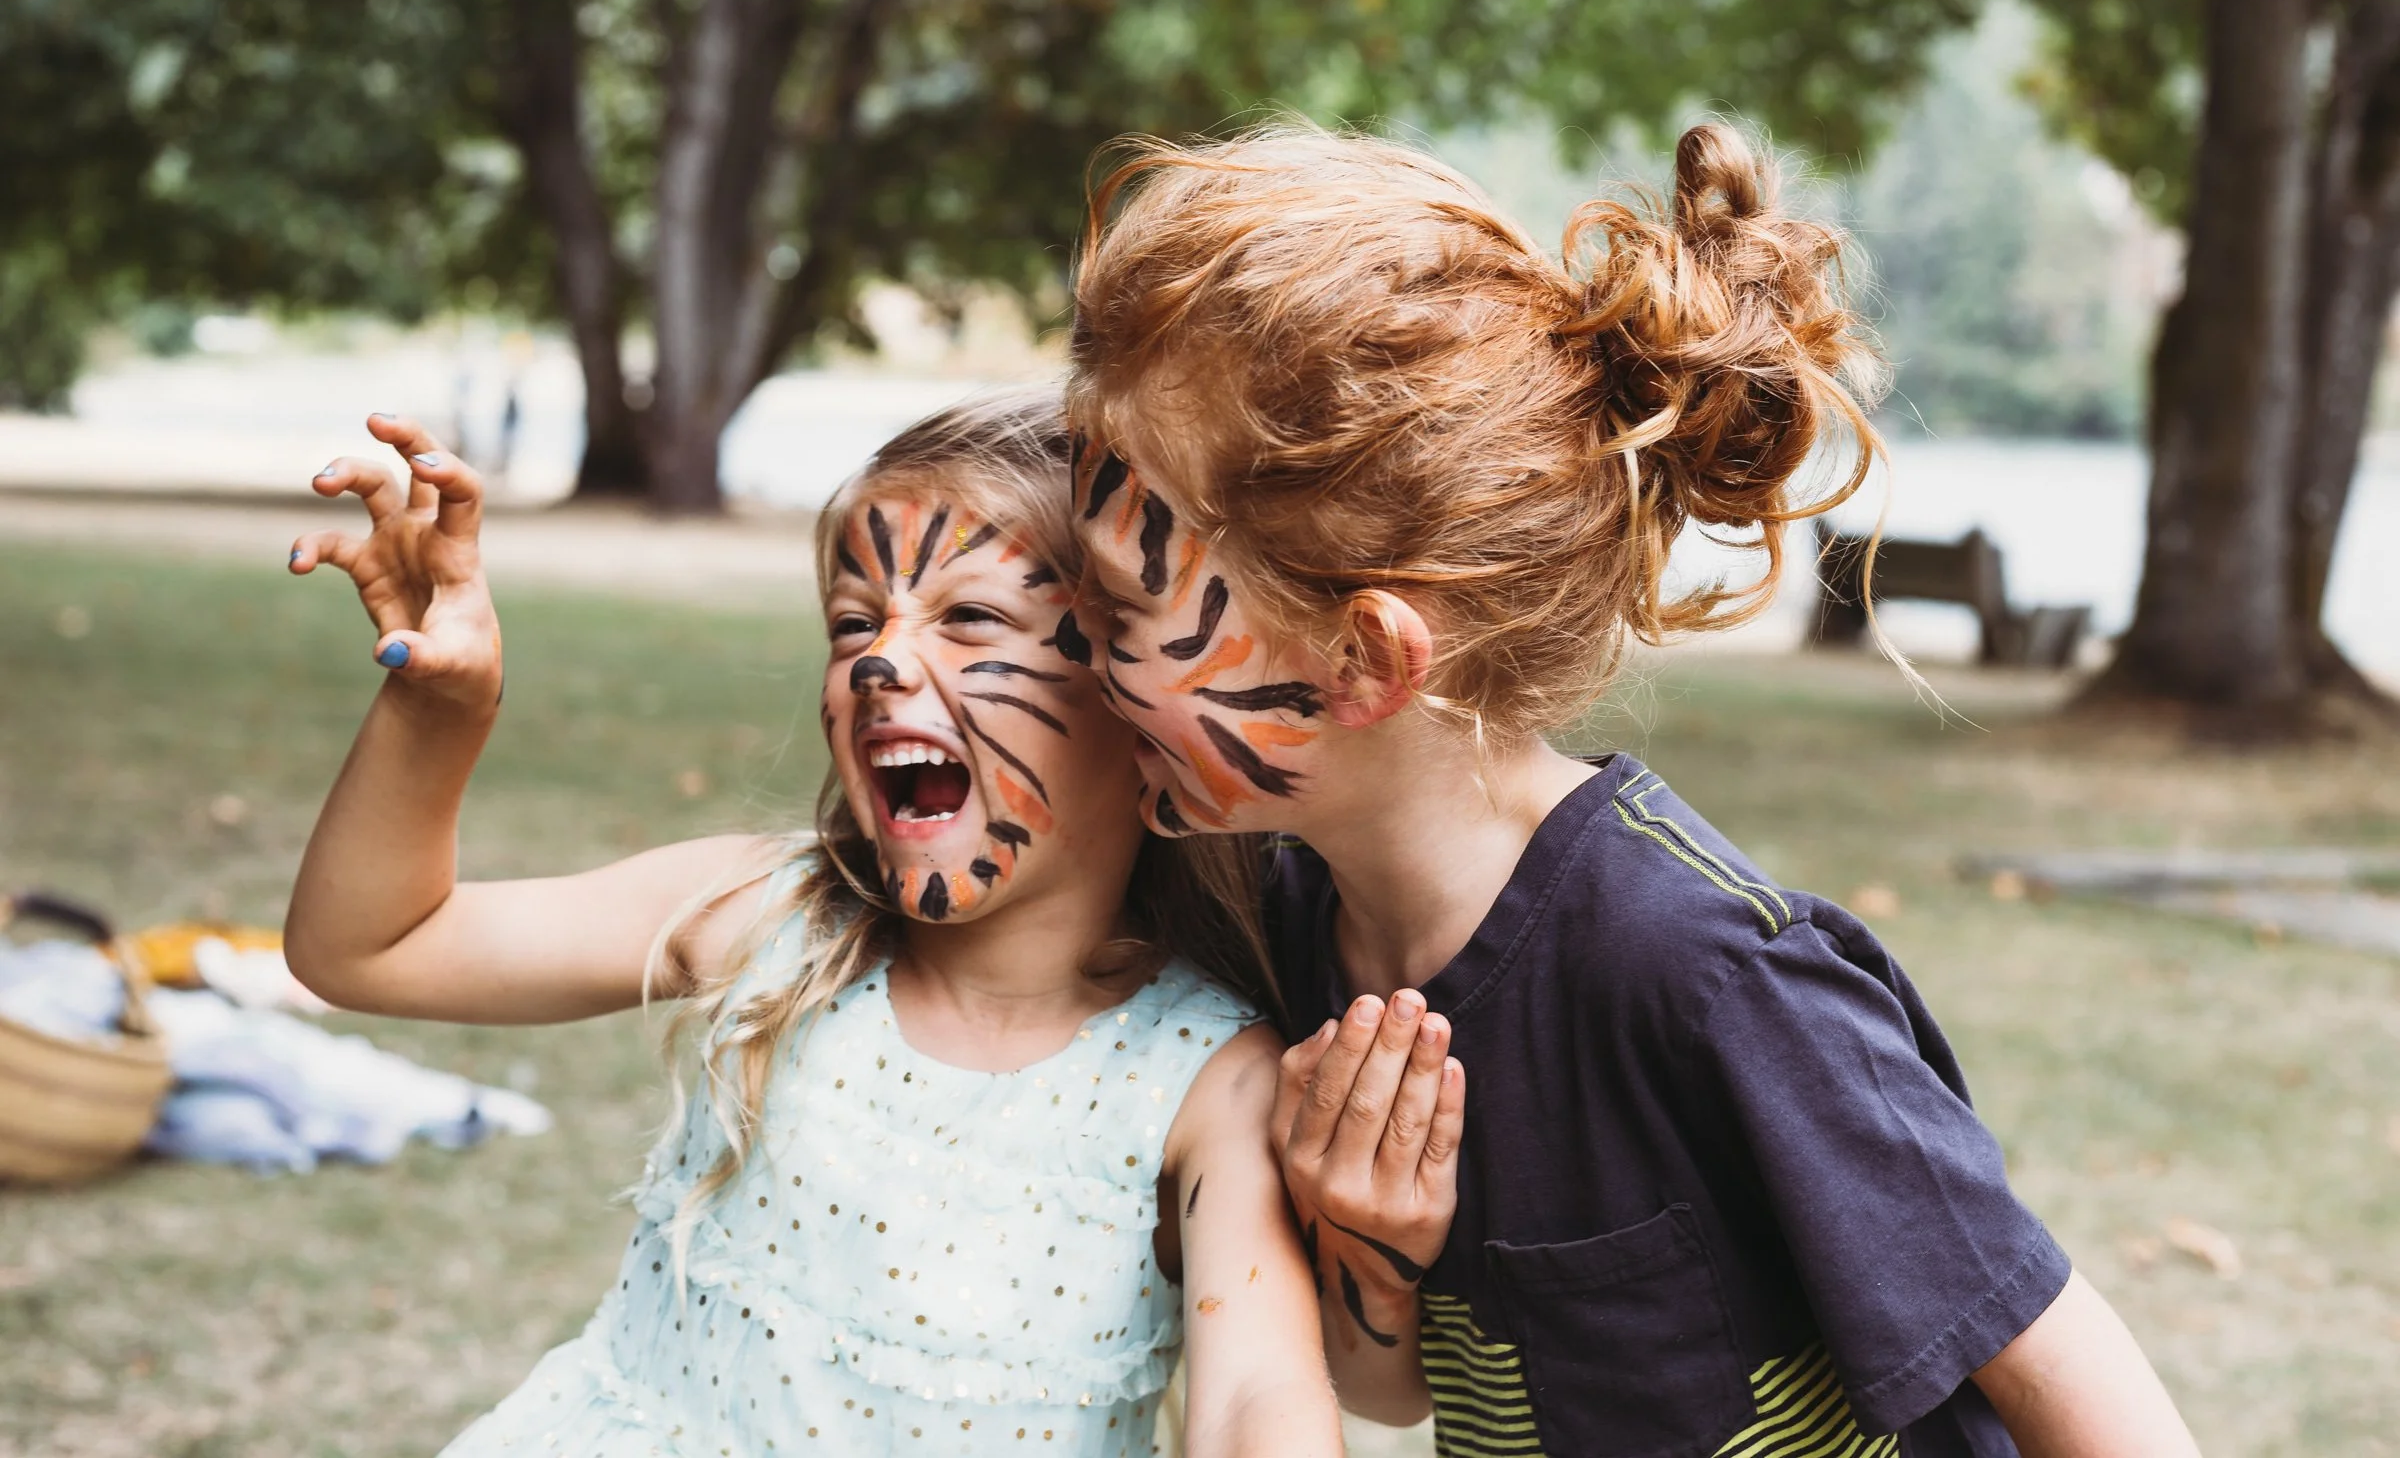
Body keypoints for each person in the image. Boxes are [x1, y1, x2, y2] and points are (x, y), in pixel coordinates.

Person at [1059, 122, 2201, 1456]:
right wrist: (1373, 1259)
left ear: (1365, 659)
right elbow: (1394, 1393)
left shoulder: (1709, 974)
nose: (1072, 649)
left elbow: (2075, 1376)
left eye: (1118, 601)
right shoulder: (1310, 918)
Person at [280, 394, 1348, 1458]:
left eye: (969, 618)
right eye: (853, 622)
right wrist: (439, 711)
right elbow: (369, 945)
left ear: (1135, 690)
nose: (881, 665)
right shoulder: (764, 916)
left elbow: (1259, 1398)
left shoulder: (1208, 1084)